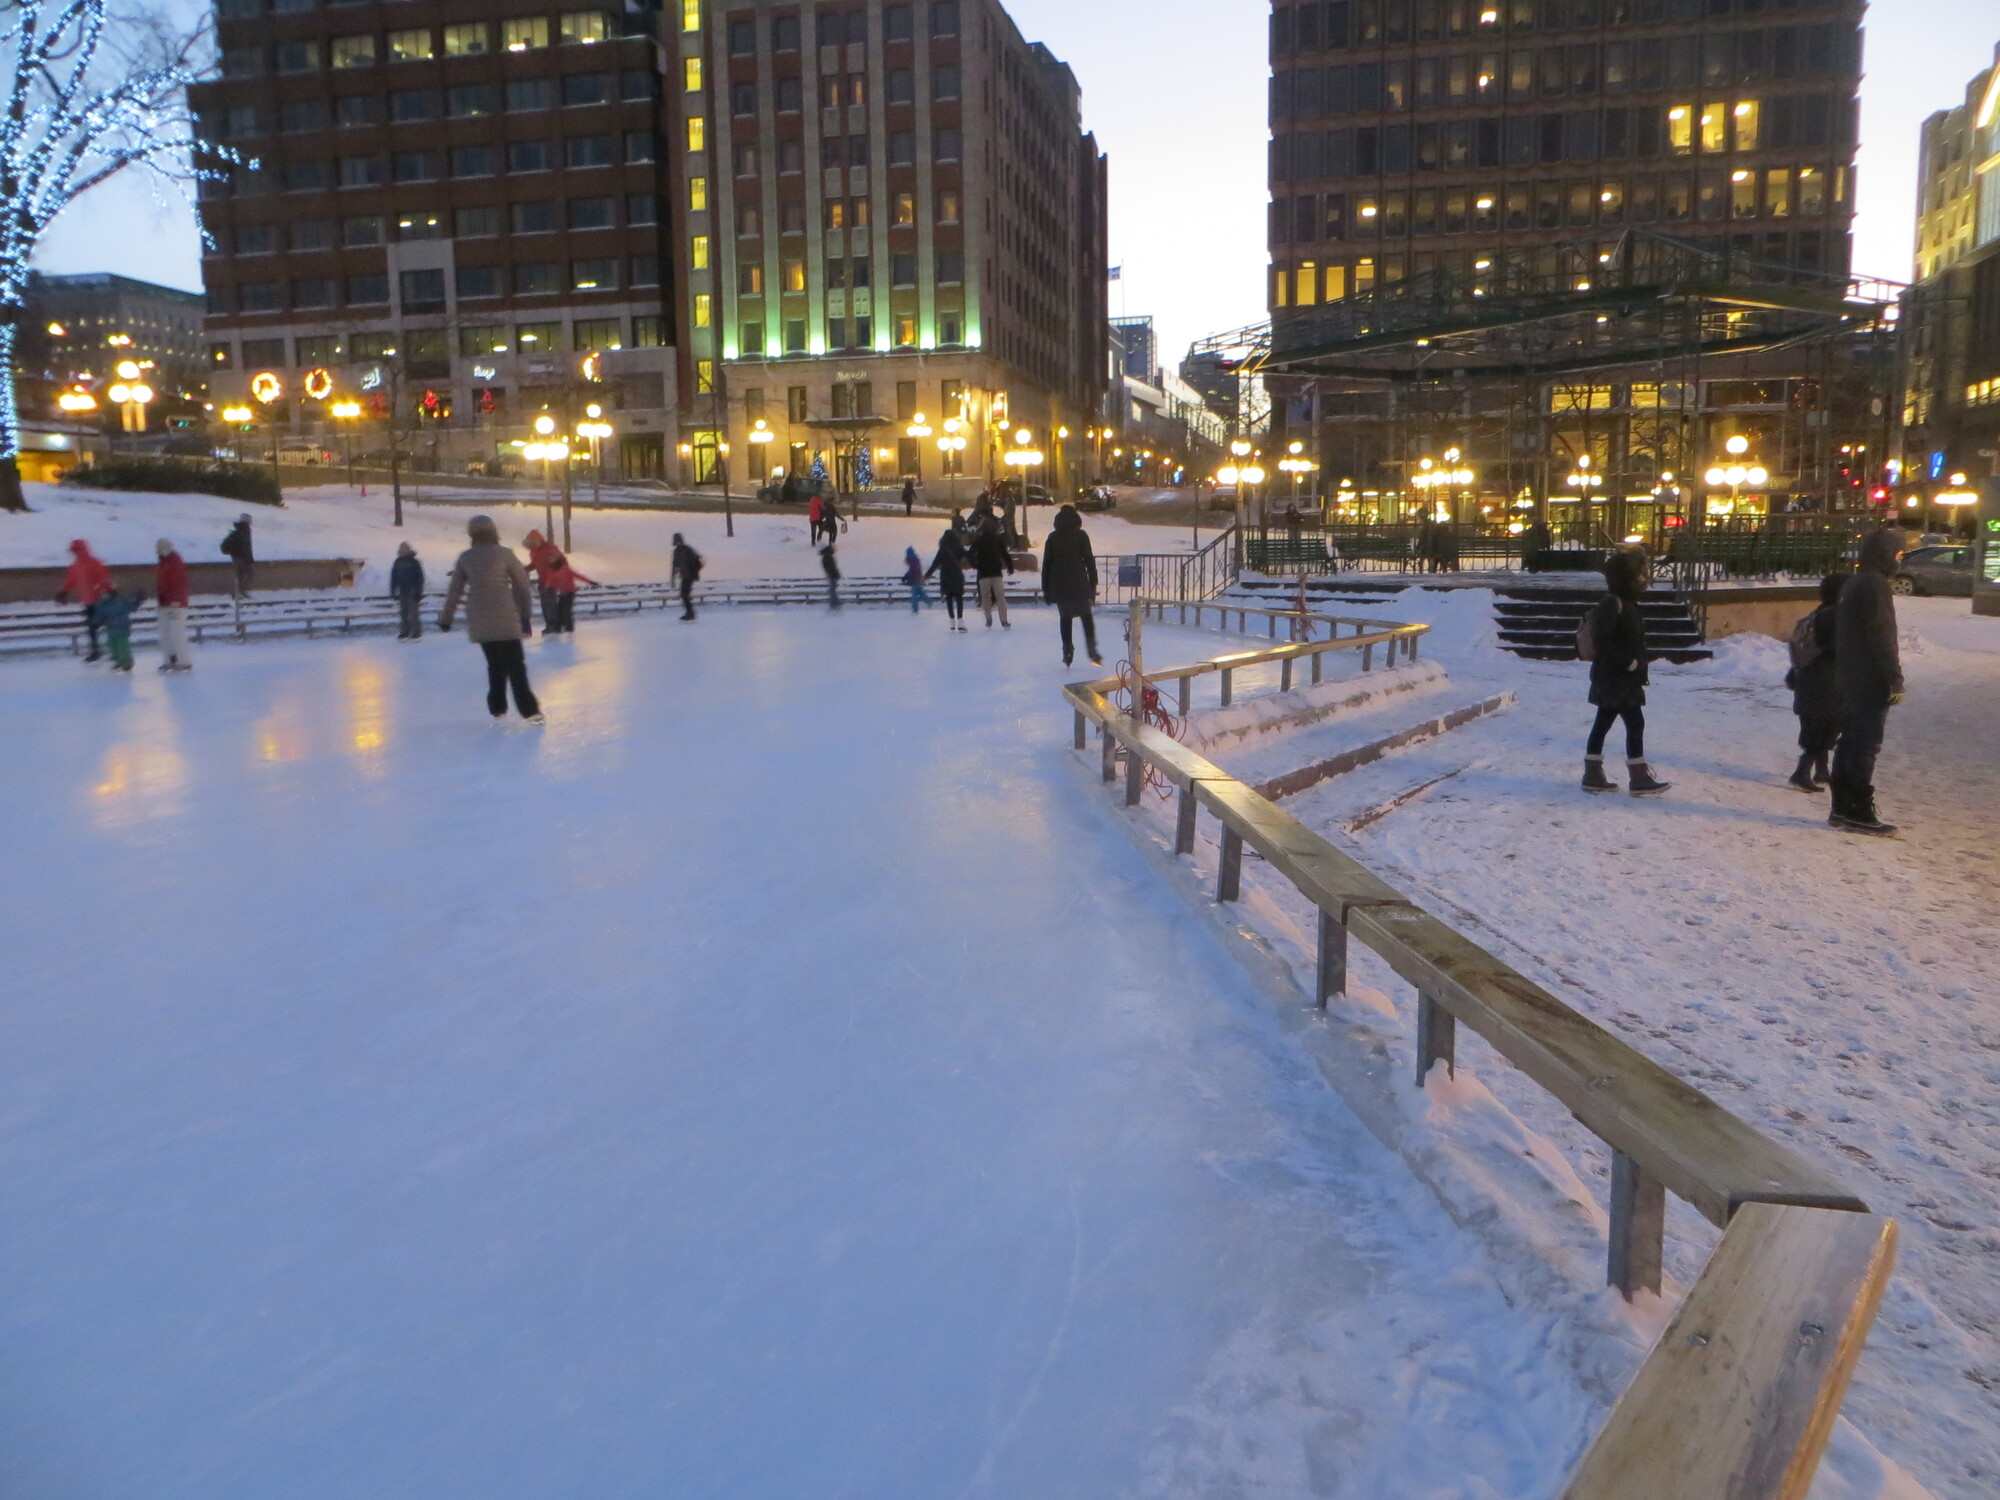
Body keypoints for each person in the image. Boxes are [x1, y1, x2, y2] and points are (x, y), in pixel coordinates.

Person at [1828, 527, 1905, 835]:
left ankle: (1842, 806)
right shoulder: (1875, 586)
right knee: (1865, 744)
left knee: (1850, 741)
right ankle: (1857, 809)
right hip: (1869, 678)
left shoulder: (1855, 582)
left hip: (1849, 675)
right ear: (1885, 555)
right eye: (1898, 554)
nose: (1899, 560)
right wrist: (1894, 677)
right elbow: (1881, 635)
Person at [1581, 548, 1670, 796]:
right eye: (1640, 574)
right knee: (1634, 723)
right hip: (1616, 677)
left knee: (1603, 722)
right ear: (1626, 578)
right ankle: (1638, 778)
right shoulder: (1613, 603)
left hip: (1618, 677)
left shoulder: (1626, 602)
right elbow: (1602, 640)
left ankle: (1593, 774)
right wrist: (1627, 662)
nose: (1645, 578)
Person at [438, 515, 542, 722]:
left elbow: (455, 591)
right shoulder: (504, 554)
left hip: (479, 618)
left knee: (495, 664)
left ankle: (497, 707)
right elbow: (522, 585)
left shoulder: (466, 558)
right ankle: (529, 710)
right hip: (506, 615)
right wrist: (525, 615)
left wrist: (446, 618)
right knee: (516, 665)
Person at [1783, 574, 1844, 793]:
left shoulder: (1818, 613)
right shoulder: (1838, 617)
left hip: (1808, 681)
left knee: (1817, 727)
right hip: (1826, 683)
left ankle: (1821, 770)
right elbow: (1839, 650)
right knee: (1824, 729)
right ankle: (1802, 772)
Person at [1042, 504, 1101, 666]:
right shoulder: (1081, 536)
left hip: (1060, 584)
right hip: (1079, 582)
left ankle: (1067, 649)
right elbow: (1089, 561)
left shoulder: (1053, 538)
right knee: (1086, 616)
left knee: (1065, 617)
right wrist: (1093, 582)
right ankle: (1091, 647)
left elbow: (1047, 565)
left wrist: (1046, 588)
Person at [55, 538, 114, 661]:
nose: (74, 553)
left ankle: (106, 650)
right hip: (89, 601)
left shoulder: (92, 563)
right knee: (93, 628)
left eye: (74, 551)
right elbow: (71, 581)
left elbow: (104, 579)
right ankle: (97, 651)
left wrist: (110, 591)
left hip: (99, 600)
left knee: (100, 627)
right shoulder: (77, 566)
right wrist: (63, 592)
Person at [155, 538, 192, 671]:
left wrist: (176, 600)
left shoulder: (175, 562)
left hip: (176, 604)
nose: (158, 552)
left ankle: (183, 661)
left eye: (159, 549)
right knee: (166, 633)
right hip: (164, 603)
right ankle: (169, 659)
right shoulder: (163, 562)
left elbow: (179, 582)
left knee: (177, 633)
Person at [969, 516, 1014, 628]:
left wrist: (976, 564)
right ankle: (1004, 620)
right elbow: (1005, 554)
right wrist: (1010, 566)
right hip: (996, 572)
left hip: (983, 573)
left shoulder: (979, 540)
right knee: (1000, 597)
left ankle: (988, 619)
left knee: (985, 597)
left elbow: (970, 554)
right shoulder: (998, 540)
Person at [541, 550, 597, 634]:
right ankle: (559, 627)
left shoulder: (566, 569)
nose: (550, 560)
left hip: (569, 592)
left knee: (566, 610)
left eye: (552, 558)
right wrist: (549, 588)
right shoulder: (551, 570)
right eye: (549, 559)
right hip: (562, 592)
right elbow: (551, 581)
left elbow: (578, 576)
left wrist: (590, 581)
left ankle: (568, 627)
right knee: (560, 610)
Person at [926, 527, 968, 631]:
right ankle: (960, 621)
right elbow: (968, 556)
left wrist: (927, 575)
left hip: (946, 575)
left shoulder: (942, 549)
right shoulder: (959, 547)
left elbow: (935, 564)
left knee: (949, 598)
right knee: (959, 598)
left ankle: (952, 621)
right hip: (956, 574)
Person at [522, 529, 563, 635]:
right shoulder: (534, 551)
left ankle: (554, 625)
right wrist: (527, 568)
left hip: (552, 580)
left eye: (533, 544)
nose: (531, 547)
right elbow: (536, 563)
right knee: (545, 604)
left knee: (550, 603)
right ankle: (550, 625)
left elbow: (555, 563)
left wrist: (550, 580)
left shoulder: (549, 549)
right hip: (542, 580)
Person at [95, 586, 137, 672]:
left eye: (105, 593)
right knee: (112, 645)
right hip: (111, 628)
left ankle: (126, 663)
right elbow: (100, 615)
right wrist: (96, 621)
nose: (103, 595)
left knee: (122, 646)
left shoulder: (120, 601)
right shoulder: (103, 604)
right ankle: (118, 661)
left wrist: (137, 601)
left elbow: (131, 607)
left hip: (122, 628)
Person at [389, 541, 425, 641]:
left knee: (414, 613)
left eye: (405, 548)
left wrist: (419, 591)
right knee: (403, 613)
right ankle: (404, 632)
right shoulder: (397, 562)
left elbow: (420, 578)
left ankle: (416, 633)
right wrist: (393, 590)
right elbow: (394, 577)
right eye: (401, 548)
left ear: (408, 550)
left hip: (413, 592)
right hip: (402, 591)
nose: (403, 550)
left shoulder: (414, 562)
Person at [220, 513, 255, 597]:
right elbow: (246, 547)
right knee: (249, 574)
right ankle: (241, 592)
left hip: (237, 557)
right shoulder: (244, 531)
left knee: (240, 575)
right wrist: (249, 558)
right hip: (242, 557)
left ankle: (237, 593)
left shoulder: (241, 530)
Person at [671, 532, 702, 620]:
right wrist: (673, 579)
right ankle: (690, 612)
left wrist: (695, 570)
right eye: (676, 541)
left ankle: (690, 613)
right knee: (684, 594)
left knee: (685, 594)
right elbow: (674, 566)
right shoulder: (676, 552)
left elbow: (697, 559)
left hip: (690, 575)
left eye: (679, 541)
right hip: (684, 575)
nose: (678, 543)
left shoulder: (687, 549)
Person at [902, 546, 931, 612]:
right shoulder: (915, 559)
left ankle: (915, 609)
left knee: (914, 595)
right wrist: (906, 576)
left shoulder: (912, 560)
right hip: (918, 578)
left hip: (915, 579)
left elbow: (911, 570)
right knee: (920, 592)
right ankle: (928, 601)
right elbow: (912, 570)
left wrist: (906, 577)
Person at [820, 540, 842, 609]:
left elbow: (830, 567)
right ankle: (835, 602)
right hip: (833, 574)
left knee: (832, 589)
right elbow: (831, 566)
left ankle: (835, 602)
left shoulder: (827, 556)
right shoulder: (828, 556)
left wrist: (829, 574)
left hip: (832, 575)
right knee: (832, 589)